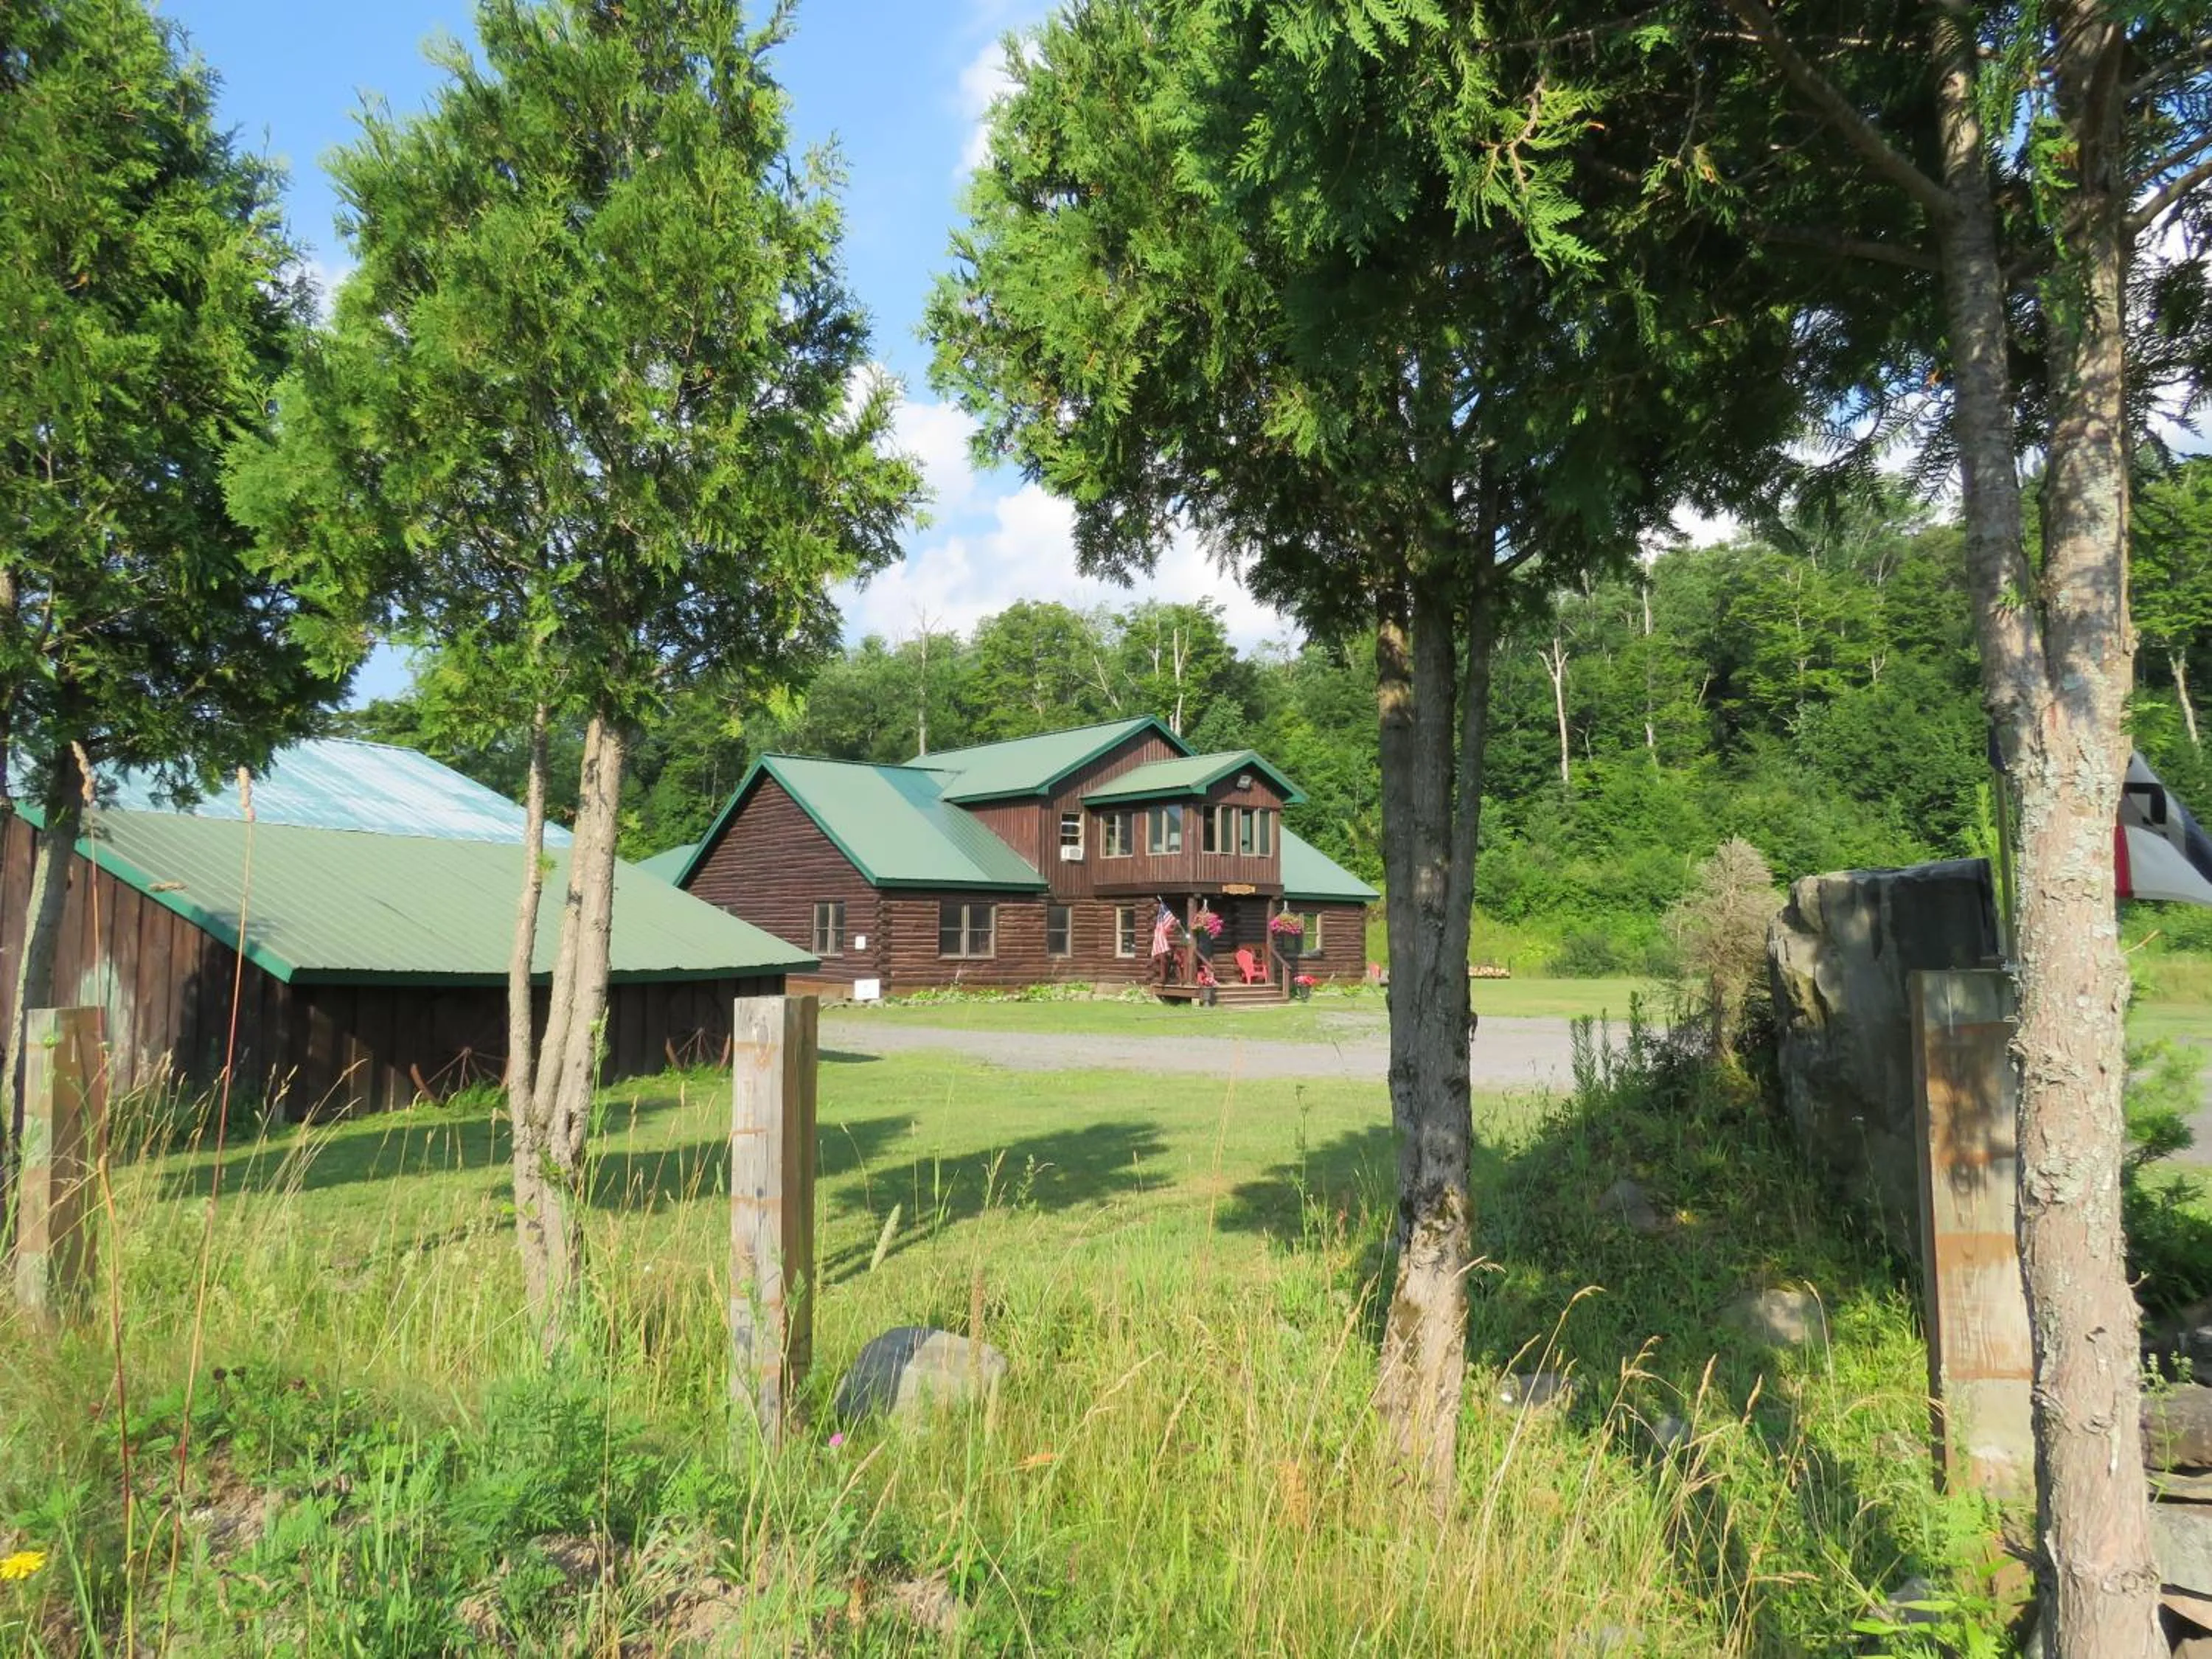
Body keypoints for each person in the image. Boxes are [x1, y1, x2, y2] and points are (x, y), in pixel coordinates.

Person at [1150, 898, 1179, 987]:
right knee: (1163, 959)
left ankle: (1174, 979)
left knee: (1173, 960)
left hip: (1173, 952)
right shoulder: (1162, 929)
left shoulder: (1173, 930)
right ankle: (1164, 979)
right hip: (1165, 951)